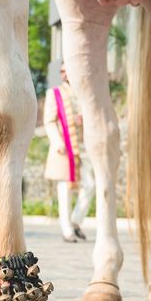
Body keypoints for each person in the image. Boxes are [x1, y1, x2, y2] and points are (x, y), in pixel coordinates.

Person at [44, 64, 94, 242]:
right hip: (64, 148)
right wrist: (57, 142)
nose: (64, 74)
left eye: (67, 70)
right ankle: (67, 231)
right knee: (65, 190)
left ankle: (75, 221)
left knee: (89, 185)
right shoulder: (54, 93)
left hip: (82, 147)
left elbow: (92, 116)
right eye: (62, 71)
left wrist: (84, 120)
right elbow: (49, 121)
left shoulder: (84, 93)